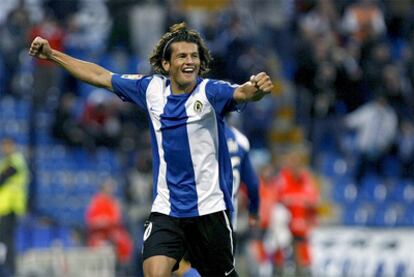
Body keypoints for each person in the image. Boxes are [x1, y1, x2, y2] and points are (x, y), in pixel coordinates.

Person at [29, 22, 273, 277]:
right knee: (154, 272)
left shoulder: (211, 92)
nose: (189, 61)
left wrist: (256, 90)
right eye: (182, 56)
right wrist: (52, 55)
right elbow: (101, 76)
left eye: (194, 56)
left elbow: (242, 93)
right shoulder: (151, 90)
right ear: (167, 65)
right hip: (167, 210)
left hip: (209, 212)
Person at [85, 177, 133, 268]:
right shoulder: (95, 202)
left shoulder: (114, 202)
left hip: (112, 232)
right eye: (109, 187)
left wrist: (107, 221)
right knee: (99, 243)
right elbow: (91, 222)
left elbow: (117, 219)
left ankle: (122, 268)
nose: (111, 190)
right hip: (98, 234)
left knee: (124, 240)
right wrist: (103, 221)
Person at [0, 137, 29, 277]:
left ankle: (9, 270)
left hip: (11, 208)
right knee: (3, 240)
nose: (4, 149)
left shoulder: (17, 160)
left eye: (7, 146)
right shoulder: (5, 162)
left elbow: (3, 177)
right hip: (3, 208)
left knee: (7, 240)